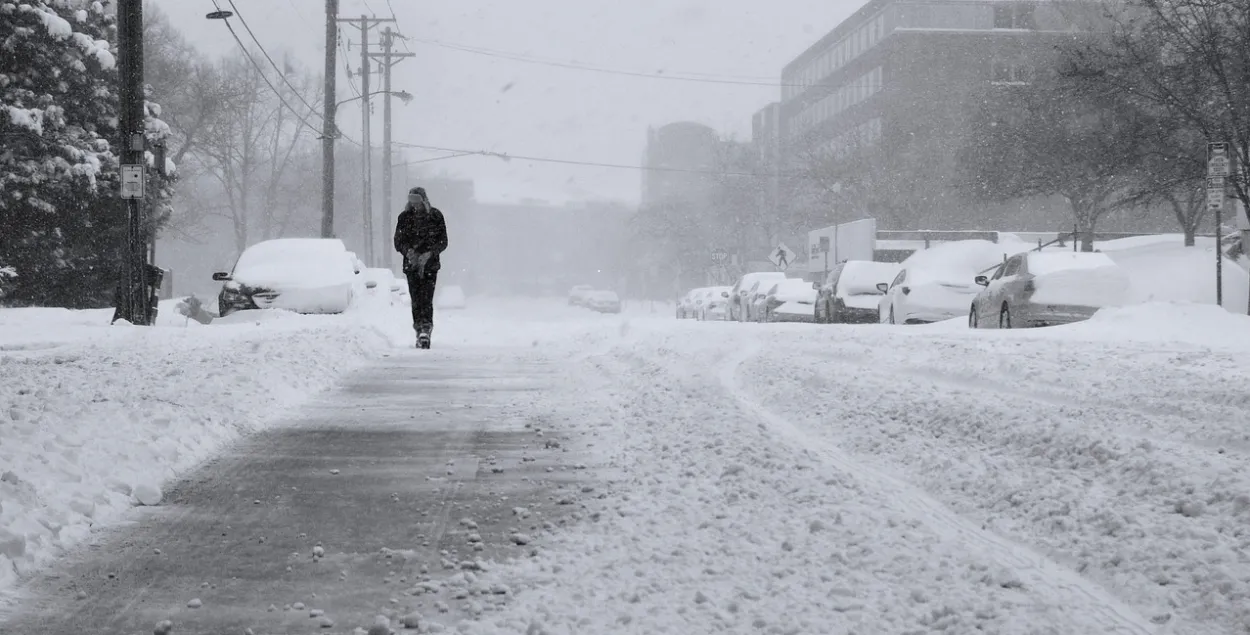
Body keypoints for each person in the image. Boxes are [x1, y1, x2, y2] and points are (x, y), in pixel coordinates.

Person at [393, 186, 449, 348]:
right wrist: (409, 252)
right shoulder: (404, 217)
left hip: (430, 266)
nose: (414, 204)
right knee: (416, 299)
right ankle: (419, 329)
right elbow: (398, 241)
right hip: (411, 265)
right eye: (411, 200)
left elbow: (443, 240)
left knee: (427, 299)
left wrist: (430, 253)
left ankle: (426, 328)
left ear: (424, 199)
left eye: (417, 200)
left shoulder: (435, 216)